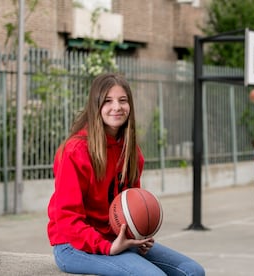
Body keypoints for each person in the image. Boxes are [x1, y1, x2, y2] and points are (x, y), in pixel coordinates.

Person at [47, 73, 205, 276]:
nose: (117, 107)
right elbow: (67, 219)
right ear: (96, 105)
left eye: (123, 100)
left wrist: (139, 235)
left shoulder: (131, 152)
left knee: (192, 271)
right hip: (73, 246)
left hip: (117, 239)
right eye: (108, 101)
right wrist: (107, 247)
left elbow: (129, 206)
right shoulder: (75, 151)